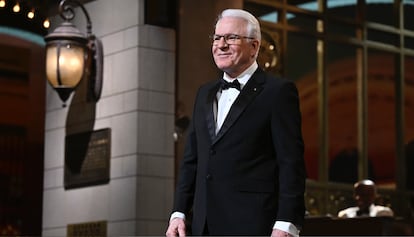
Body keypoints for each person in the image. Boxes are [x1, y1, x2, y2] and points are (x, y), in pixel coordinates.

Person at [166, 9, 306, 237]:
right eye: (217, 38)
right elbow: (192, 160)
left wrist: (286, 223)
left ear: (254, 47)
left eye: (231, 38)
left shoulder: (278, 92)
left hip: (254, 225)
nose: (221, 45)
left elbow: (291, 163)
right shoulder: (204, 93)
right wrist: (178, 213)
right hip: (204, 226)